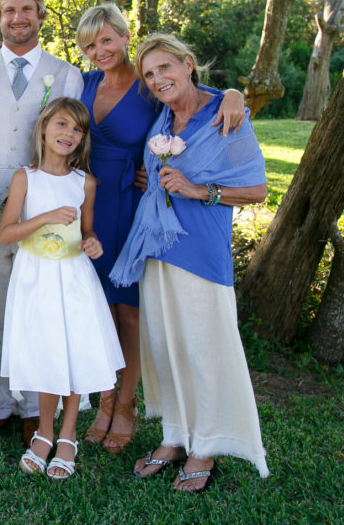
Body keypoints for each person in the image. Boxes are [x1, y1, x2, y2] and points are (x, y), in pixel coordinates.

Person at [73, 3, 245, 455]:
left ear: (126, 36)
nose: (99, 50)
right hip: (91, 201)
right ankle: (105, 397)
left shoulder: (150, 86)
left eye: (107, 39)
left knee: (129, 309)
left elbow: (193, 92)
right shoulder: (85, 82)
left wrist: (233, 93)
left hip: (134, 203)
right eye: (90, 44)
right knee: (100, 305)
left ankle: (127, 404)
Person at [108, 34, 269, 492]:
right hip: (157, 250)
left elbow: (257, 191)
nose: (158, 79)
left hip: (200, 254)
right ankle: (175, 436)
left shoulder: (224, 115)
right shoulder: (162, 118)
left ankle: (206, 447)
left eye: (165, 68)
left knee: (203, 351)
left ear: (188, 63)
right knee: (166, 349)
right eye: (150, 74)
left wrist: (201, 191)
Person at [0, 0, 83, 445]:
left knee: (38, 305)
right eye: (9, 10)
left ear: (41, 16)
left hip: (44, 204)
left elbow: (73, 137)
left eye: (28, 9)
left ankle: (35, 405)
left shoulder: (65, 73)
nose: (19, 18)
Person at [0, 98, 125, 481]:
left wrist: (93, 243)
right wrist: (45, 217)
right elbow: (6, 234)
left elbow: (86, 232)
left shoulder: (84, 182)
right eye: (62, 125)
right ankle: (45, 431)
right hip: (35, 277)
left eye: (77, 130)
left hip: (72, 277)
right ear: (43, 128)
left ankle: (67, 435)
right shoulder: (25, 178)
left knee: (75, 352)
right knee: (48, 352)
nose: (68, 134)